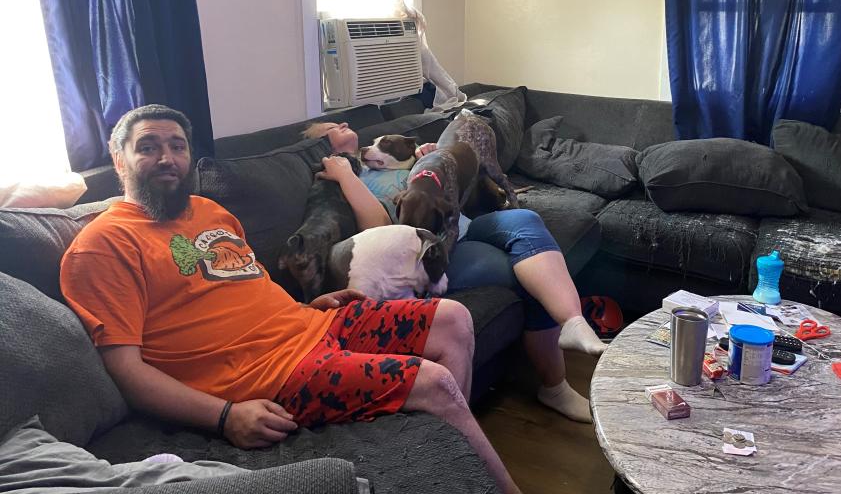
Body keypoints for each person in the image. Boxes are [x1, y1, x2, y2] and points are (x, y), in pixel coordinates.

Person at [60, 105, 520, 494]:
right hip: (267, 376)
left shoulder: (210, 211)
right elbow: (126, 370)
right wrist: (224, 416)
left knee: (453, 318)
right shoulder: (103, 244)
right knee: (434, 382)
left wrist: (304, 306)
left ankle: (448, 453)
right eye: (148, 147)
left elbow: (246, 282)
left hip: (310, 327)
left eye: (177, 146)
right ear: (119, 160)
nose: (167, 158)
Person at [311, 121, 607, 424]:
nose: (344, 123)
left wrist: (427, 155)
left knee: (526, 220)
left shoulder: (384, 155)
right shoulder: (346, 175)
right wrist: (346, 176)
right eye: (331, 126)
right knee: (529, 274)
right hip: (428, 256)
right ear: (324, 146)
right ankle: (555, 387)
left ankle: (573, 321)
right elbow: (380, 230)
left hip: (460, 225)